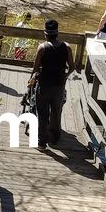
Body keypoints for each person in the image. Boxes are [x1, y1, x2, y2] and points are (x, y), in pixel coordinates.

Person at [30, 19, 76, 151]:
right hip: (59, 86)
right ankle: (55, 139)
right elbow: (72, 67)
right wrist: (65, 76)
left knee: (42, 114)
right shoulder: (66, 47)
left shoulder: (43, 48)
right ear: (57, 33)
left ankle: (41, 143)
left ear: (45, 34)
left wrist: (32, 80)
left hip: (44, 85)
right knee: (56, 112)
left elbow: (35, 68)